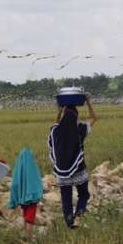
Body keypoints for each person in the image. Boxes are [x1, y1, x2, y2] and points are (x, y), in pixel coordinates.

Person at [48, 95, 97, 229]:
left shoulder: (56, 131)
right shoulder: (79, 130)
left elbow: (55, 123)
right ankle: (78, 217)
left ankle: (70, 222)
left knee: (66, 199)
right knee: (84, 194)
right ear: (76, 116)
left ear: (64, 117)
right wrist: (88, 101)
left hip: (62, 172)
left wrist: (59, 110)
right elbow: (94, 118)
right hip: (78, 169)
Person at [6, 148, 43, 240]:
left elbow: (15, 184)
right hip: (32, 197)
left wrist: (15, 197)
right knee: (30, 216)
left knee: (25, 214)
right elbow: (37, 182)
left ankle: (26, 234)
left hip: (22, 197)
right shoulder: (33, 167)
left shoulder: (19, 169)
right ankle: (28, 236)